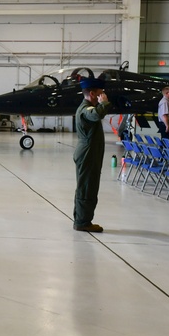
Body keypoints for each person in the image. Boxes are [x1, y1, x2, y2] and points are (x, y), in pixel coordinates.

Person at [72, 77, 111, 233]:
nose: (103, 95)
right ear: (93, 94)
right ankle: (82, 222)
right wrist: (104, 104)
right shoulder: (86, 109)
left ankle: (82, 219)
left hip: (89, 153)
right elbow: (95, 115)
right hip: (87, 154)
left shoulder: (87, 107)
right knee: (87, 188)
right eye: (101, 93)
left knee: (88, 186)